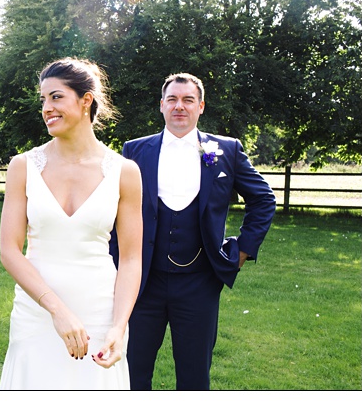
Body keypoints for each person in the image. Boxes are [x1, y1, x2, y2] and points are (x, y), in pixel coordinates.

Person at [110, 73, 276, 390]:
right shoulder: (134, 150)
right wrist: (114, 262)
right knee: (131, 373)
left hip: (200, 283)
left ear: (200, 106)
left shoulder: (226, 150)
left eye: (188, 100)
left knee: (195, 376)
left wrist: (240, 253)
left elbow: (263, 199)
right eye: (172, 99)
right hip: (142, 283)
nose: (179, 107)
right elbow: (113, 209)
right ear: (161, 106)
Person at [0, 58, 144, 389]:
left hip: (99, 311)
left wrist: (118, 327)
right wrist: (56, 310)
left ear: (86, 100)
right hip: (37, 313)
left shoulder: (125, 172)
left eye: (56, 97)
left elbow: (132, 258)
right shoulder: (22, 166)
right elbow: (9, 250)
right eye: (43, 100)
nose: (46, 108)